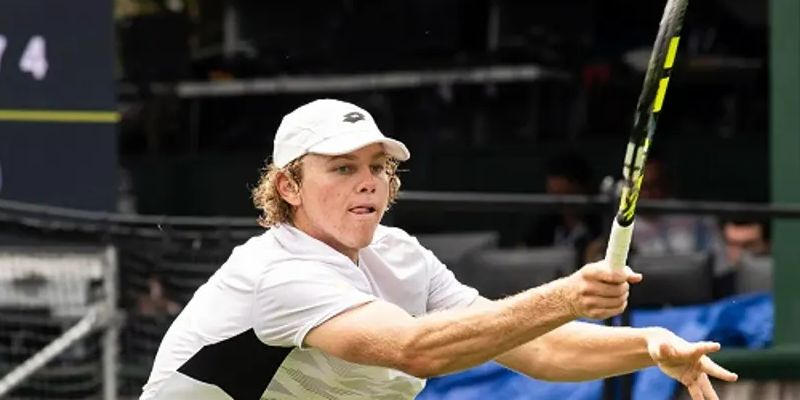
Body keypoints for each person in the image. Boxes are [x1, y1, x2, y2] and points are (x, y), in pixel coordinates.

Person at [140, 99, 737, 400]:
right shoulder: (280, 273)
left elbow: (537, 348)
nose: (368, 182)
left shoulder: (401, 256)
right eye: (342, 168)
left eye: (377, 166)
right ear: (288, 187)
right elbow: (415, 350)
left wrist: (646, 345)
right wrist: (568, 296)